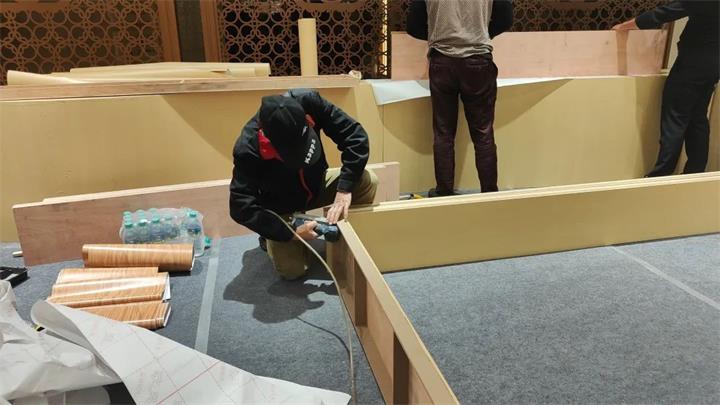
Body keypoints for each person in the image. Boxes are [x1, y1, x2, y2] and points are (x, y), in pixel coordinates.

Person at [229, 89, 377, 280]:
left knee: (366, 180)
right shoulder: (248, 148)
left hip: (316, 185)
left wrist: (344, 189)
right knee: (292, 271)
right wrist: (291, 233)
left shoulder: (310, 102)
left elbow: (355, 137)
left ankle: (346, 238)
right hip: (281, 205)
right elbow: (240, 207)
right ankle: (270, 238)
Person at [407, 0, 513, 196]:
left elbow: (413, 25)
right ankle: (490, 193)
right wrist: (481, 32)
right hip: (478, 60)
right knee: (483, 132)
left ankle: (444, 191)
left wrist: (438, 32)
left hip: (442, 60)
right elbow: (506, 19)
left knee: (443, 132)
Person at [613, 1, 719, 177]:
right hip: (713, 65)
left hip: (691, 64)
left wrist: (625, 26)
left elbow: (666, 12)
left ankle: (661, 175)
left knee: (675, 119)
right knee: (698, 118)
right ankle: (695, 173)